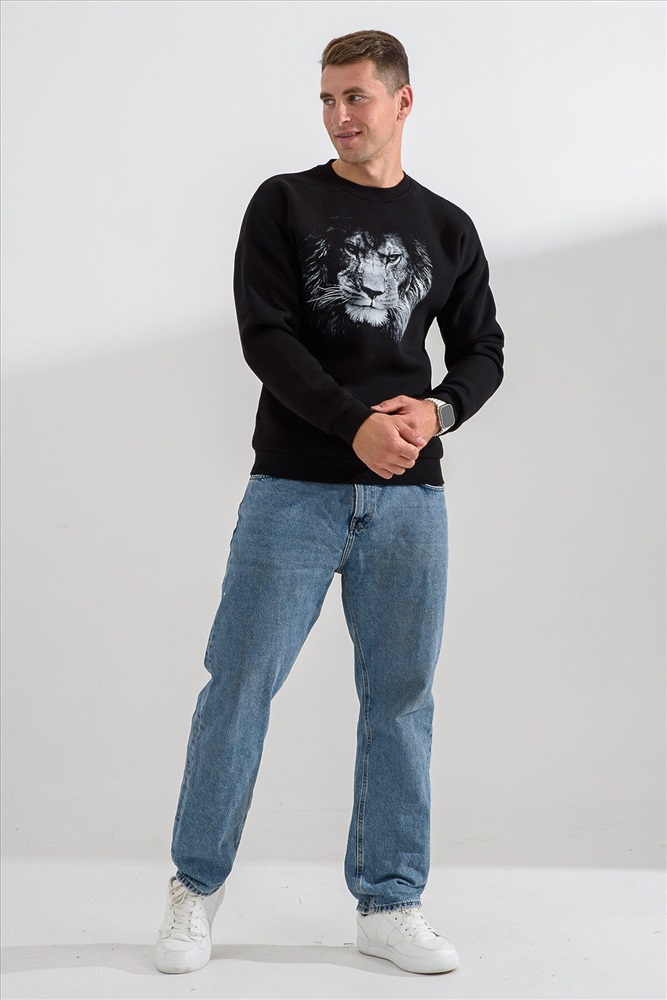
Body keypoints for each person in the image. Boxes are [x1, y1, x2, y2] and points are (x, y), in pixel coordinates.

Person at [155, 29, 504, 977]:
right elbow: (265, 334)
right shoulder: (285, 202)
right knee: (238, 685)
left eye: (355, 96)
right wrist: (352, 425)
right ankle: (194, 891)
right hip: (293, 488)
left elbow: (482, 350)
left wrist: (435, 411)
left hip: (411, 500)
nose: (338, 116)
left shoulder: (446, 226)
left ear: (401, 100)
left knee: (400, 699)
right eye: (325, 99)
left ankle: (389, 903)